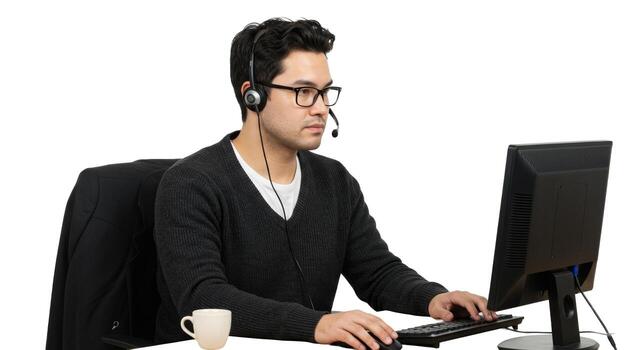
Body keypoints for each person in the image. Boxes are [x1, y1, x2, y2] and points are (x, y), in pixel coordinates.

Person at [153, 17, 497, 350]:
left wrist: (432, 298)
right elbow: (204, 298)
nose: (320, 108)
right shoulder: (191, 184)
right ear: (252, 95)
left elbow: (376, 271)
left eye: (325, 92)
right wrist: (316, 324)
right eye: (304, 92)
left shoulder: (334, 180)